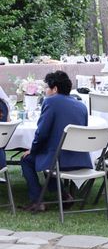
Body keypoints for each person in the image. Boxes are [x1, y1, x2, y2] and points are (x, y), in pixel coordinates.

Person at [20, 71, 92, 212]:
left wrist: (33, 150)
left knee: (27, 159)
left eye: (47, 87)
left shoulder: (51, 102)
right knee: (48, 155)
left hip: (59, 160)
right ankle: (64, 195)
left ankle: (37, 200)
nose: (45, 91)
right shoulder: (81, 106)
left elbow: (41, 133)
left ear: (55, 89)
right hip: (80, 158)